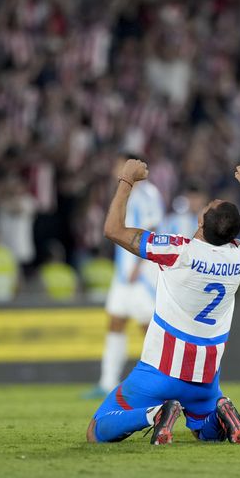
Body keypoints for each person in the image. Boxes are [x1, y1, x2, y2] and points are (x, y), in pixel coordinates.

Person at [87, 160, 240, 445]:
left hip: (160, 371)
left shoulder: (177, 250)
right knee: (204, 432)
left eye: (208, 205)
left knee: (97, 430)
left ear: (200, 221)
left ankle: (155, 415)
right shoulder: (239, 256)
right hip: (206, 379)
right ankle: (220, 413)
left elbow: (112, 229)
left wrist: (126, 180)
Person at [86, 153, 164, 398]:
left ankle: (160, 381)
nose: (116, 168)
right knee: (116, 322)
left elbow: (153, 230)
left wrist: (139, 266)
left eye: (121, 164)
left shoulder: (149, 194)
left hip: (140, 274)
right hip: (122, 273)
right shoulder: (125, 193)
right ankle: (107, 382)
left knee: (148, 329)